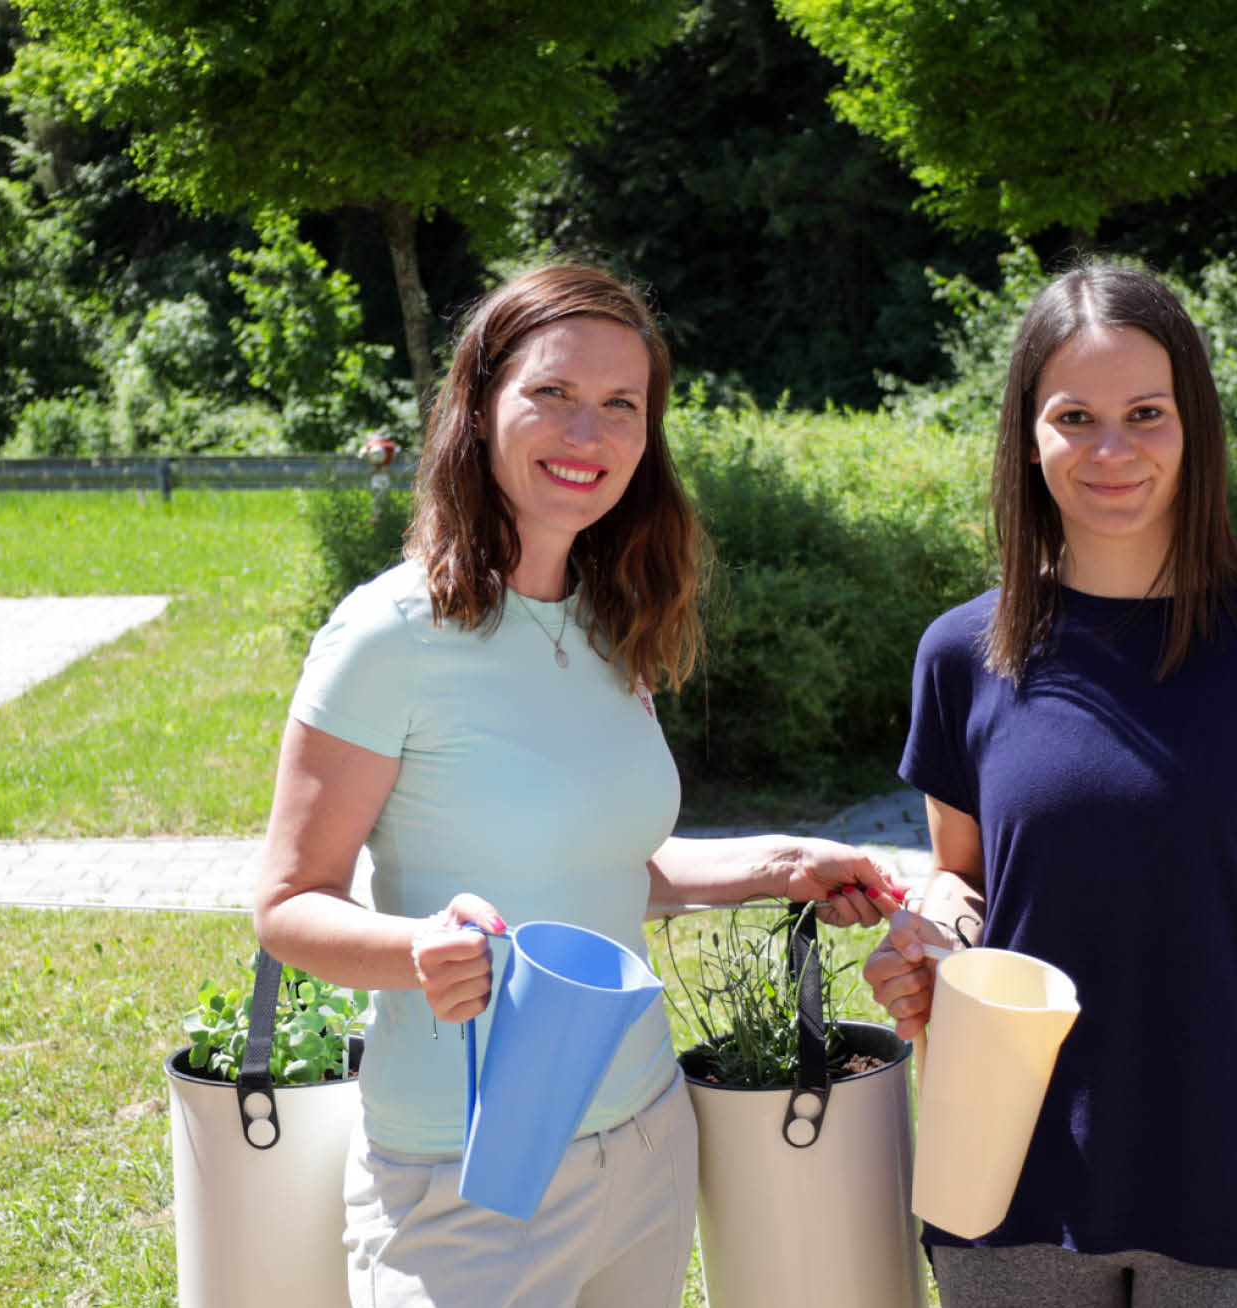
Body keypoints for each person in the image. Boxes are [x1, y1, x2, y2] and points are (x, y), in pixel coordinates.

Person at [248, 264, 898, 1307]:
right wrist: (417, 952)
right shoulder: (387, 636)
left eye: (619, 405)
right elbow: (287, 907)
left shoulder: (612, 625)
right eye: (549, 394)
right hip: (463, 1177)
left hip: (643, 1143)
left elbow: (602, 869)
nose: (584, 433)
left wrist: (781, 864)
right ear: (477, 404)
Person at [864, 263, 1237, 1308]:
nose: (1112, 451)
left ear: (1192, 422)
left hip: (1236, 1184)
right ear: (1027, 434)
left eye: (1145, 414)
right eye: (1075, 417)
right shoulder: (960, 654)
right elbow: (962, 883)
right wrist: (928, 927)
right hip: (1007, 1190)